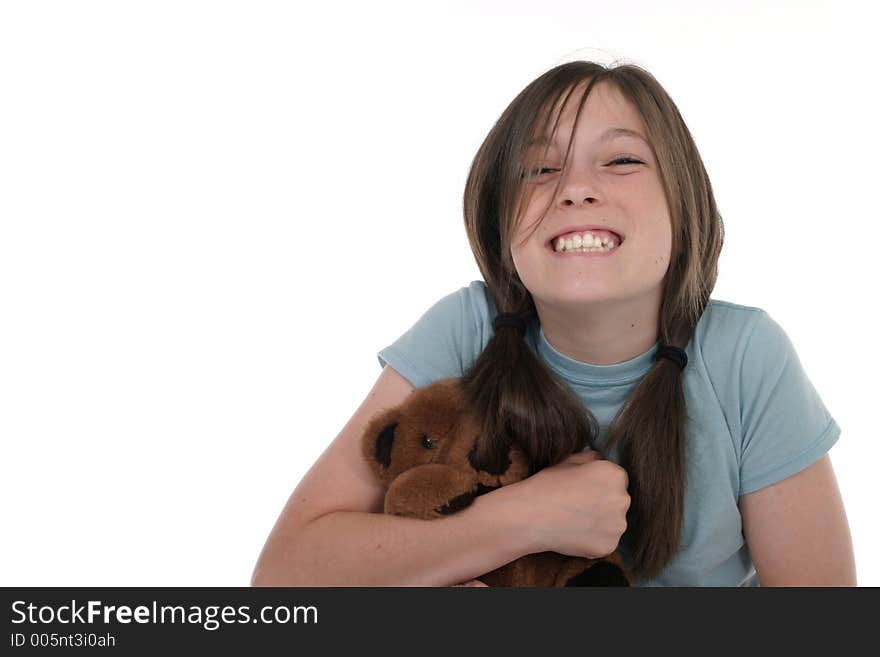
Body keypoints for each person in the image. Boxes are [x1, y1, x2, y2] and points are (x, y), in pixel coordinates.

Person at [251, 60, 856, 587]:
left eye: (621, 160)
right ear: (499, 221)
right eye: (539, 170)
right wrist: (524, 517)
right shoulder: (467, 327)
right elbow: (285, 575)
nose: (576, 189)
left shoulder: (746, 355)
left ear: (684, 203)